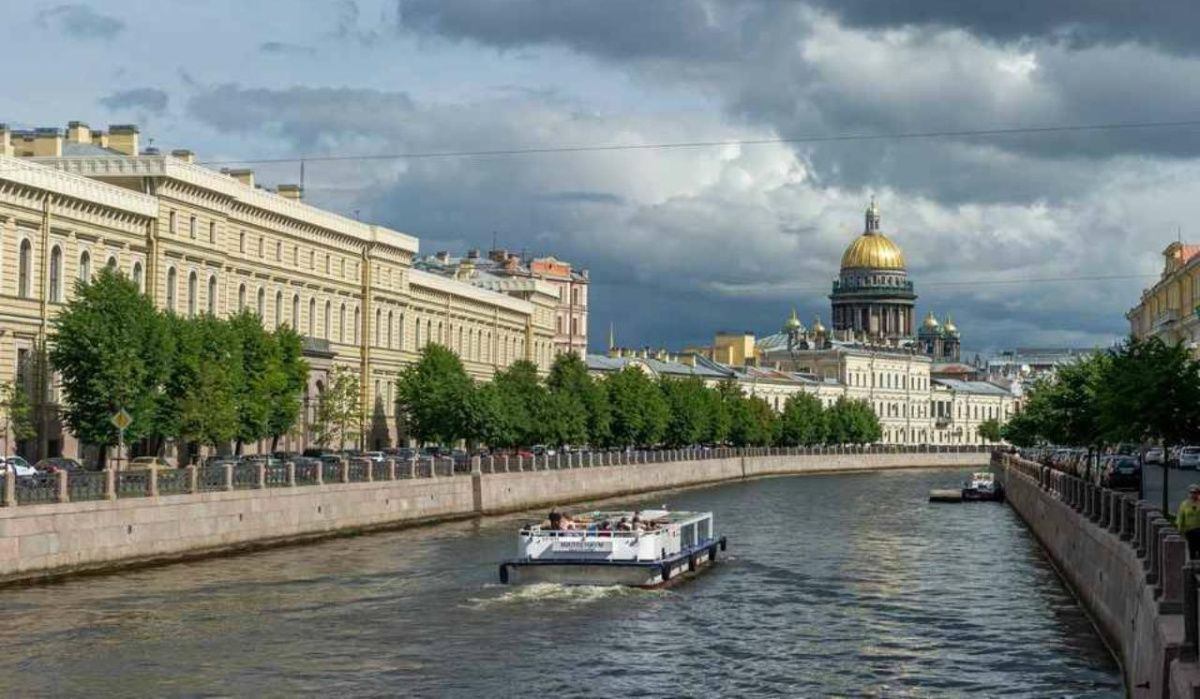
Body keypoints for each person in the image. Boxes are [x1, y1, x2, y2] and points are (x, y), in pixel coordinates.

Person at [1177, 485, 1200, 559]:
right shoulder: (1184, 504)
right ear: (1189, 493)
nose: (1193, 494)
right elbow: (1180, 517)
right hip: (1189, 531)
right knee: (1192, 549)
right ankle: (1192, 565)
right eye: (1191, 492)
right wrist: (1180, 529)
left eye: (1195, 492)